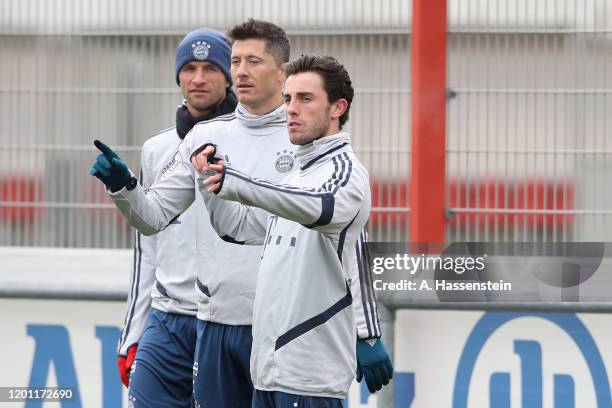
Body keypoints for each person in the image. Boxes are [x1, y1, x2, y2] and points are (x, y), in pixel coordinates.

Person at [90, 20, 390, 407]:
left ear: (282, 71)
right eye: (235, 61)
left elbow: (350, 235)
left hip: (281, 332)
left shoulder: (305, 138)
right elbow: (157, 218)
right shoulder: (206, 137)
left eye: (254, 61)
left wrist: (366, 330)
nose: (242, 71)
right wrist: (125, 188)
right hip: (213, 322)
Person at [192, 54, 393, 406]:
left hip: (308, 378)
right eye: (287, 99)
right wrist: (210, 182)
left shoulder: (347, 174)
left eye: (305, 99)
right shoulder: (294, 178)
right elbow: (236, 228)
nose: (291, 109)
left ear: (337, 108)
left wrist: (236, 182)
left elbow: (319, 207)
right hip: (268, 374)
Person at [107, 28, 237, 407]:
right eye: (190, 68)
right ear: (177, 75)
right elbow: (147, 249)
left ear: (228, 76)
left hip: (227, 323)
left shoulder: (248, 140)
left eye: (210, 68)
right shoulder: (156, 148)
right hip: (168, 320)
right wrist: (133, 333)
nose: (198, 79)